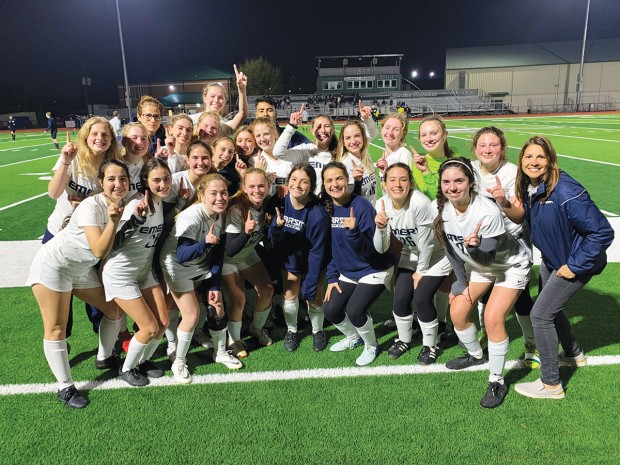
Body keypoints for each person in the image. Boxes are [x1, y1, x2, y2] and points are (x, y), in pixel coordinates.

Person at [513, 136, 613, 399]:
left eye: (540, 157)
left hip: (575, 262)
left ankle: (551, 384)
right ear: (521, 160)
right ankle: (573, 354)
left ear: (550, 160)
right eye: (528, 157)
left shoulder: (566, 190)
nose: (533, 162)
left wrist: (575, 264)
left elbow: (602, 233)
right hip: (553, 259)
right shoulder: (531, 187)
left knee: (540, 314)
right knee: (552, 310)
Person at [26, 159, 129, 408]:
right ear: (100, 182)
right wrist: (114, 221)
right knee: (56, 328)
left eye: (123, 179)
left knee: (114, 310)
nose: (118, 184)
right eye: (111, 179)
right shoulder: (91, 207)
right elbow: (99, 249)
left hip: (80, 268)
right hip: (55, 266)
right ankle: (65, 387)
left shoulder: (120, 204)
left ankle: (104, 358)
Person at [433, 157, 532, 408]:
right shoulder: (445, 208)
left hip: (509, 265)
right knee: (457, 310)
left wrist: (473, 250)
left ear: (470, 183)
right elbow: (452, 251)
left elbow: (487, 259)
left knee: (492, 318)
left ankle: (497, 380)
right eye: (447, 182)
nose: (452, 187)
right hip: (479, 266)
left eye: (459, 181)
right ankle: (476, 355)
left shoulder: (486, 211)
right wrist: (460, 281)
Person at [160, 173, 242, 384]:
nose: (220, 198)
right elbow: (182, 255)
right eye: (213, 193)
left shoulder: (221, 214)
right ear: (202, 195)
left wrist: (214, 285)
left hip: (200, 261)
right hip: (176, 266)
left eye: (223, 193)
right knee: (192, 313)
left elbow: (218, 254)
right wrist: (205, 243)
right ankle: (178, 361)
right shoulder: (192, 215)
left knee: (217, 304)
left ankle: (221, 352)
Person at [44, 117, 121, 336]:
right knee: (60, 292)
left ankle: (105, 342)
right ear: (86, 136)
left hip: (91, 236)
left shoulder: (111, 164)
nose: (100, 138)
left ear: (111, 139)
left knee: (96, 290)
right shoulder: (73, 157)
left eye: (105, 134)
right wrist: (66, 161)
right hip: (59, 233)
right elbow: (54, 193)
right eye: (94, 133)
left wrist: (88, 203)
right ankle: (60, 339)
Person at [471, 126, 539, 368]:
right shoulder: (470, 170)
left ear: (502, 148)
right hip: (486, 246)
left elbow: (520, 215)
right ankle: (487, 335)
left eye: (493, 145)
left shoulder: (513, 172)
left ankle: (532, 343)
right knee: (486, 294)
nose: (487, 149)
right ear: (475, 149)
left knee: (521, 298)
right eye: (482, 145)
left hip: (514, 245)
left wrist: (503, 201)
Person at [102, 158, 172, 386]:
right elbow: (115, 243)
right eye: (156, 180)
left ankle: (144, 361)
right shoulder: (136, 204)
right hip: (121, 274)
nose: (162, 184)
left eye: (166, 179)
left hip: (144, 271)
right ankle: (127, 368)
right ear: (145, 182)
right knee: (149, 327)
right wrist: (136, 220)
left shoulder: (161, 202)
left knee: (162, 323)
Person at [373, 163, 450, 364]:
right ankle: (404, 339)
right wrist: (380, 228)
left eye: (403, 179)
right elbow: (381, 249)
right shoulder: (381, 204)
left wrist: (421, 272)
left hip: (438, 255)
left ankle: (430, 346)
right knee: (401, 298)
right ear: (385, 184)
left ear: (411, 183)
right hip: (413, 252)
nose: (397, 184)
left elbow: (426, 244)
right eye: (392, 180)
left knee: (423, 297)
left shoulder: (420, 203)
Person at [321, 162, 395, 366]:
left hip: (374, 267)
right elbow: (332, 248)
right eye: (329, 180)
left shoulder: (361, 207)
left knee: (355, 310)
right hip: (348, 270)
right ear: (324, 185)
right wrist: (332, 277)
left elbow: (372, 250)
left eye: (339, 178)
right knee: (330, 309)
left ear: (347, 180)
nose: (334, 184)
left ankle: (371, 344)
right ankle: (354, 336)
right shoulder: (327, 208)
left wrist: (353, 233)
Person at [267, 163, 331, 352]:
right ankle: (292, 330)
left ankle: (318, 330)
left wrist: (310, 282)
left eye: (304, 181)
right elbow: (273, 239)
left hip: (313, 259)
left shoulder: (317, 214)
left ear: (311, 186)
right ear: (288, 182)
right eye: (294, 180)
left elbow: (318, 252)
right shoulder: (282, 202)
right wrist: (276, 227)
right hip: (291, 258)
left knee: (313, 296)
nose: (298, 185)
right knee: (290, 295)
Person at [222, 168, 275, 357]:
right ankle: (234, 341)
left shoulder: (268, 203)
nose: (257, 190)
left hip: (246, 253)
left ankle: (256, 328)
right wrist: (246, 232)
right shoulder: (238, 209)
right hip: (228, 258)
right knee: (239, 299)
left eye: (261, 185)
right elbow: (230, 249)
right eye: (251, 186)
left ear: (268, 187)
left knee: (267, 289)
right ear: (244, 188)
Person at [190, 65, 248, 137]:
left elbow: (242, 114)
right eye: (212, 96)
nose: (216, 100)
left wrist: (242, 90)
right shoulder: (191, 120)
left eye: (220, 97)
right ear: (205, 98)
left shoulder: (224, 125)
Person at [412, 115, 453, 200]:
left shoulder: (456, 154)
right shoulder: (418, 167)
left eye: (434, 133)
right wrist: (426, 171)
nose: (429, 139)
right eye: (423, 135)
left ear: (445, 134)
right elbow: (433, 198)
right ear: (419, 139)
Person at [375, 112, 411, 178]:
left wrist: (386, 172)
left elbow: (405, 186)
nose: (390, 132)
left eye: (396, 129)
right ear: (382, 129)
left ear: (403, 134)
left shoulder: (404, 155)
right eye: (387, 127)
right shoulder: (385, 153)